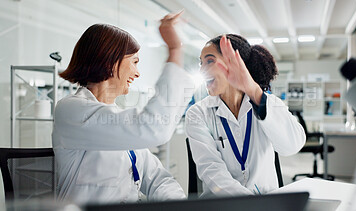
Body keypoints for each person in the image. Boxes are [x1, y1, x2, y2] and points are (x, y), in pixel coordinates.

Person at [52, 11, 195, 204]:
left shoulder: (116, 119)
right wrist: (175, 49)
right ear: (110, 62)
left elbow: (157, 179)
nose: (137, 73)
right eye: (134, 62)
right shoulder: (72, 110)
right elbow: (153, 128)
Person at [185, 34, 306, 197]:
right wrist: (250, 203)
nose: (201, 70)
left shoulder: (268, 102)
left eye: (209, 61)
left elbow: (292, 146)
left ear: (235, 64)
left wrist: (255, 92)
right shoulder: (198, 113)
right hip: (223, 205)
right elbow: (211, 170)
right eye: (201, 63)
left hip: (266, 203)